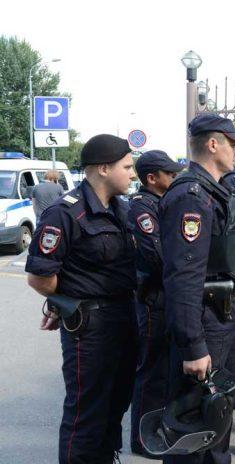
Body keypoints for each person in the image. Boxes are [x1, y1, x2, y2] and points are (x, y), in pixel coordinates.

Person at [25, 134, 137, 464]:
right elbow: (39, 277)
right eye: (127, 167)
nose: (132, 174)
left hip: (123, 317)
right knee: (86, 413)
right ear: (103, 168)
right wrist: (64, 300)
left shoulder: (122, 209)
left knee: (116, 403)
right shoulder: (64, 214)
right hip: (89, 329)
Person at [159, 113, 235, 464]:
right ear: (213, 144)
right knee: (195, 423)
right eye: (232, 143)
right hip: (203, 322)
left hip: (222, 316)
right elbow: (183, 278)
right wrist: (192, 344)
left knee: (218, 413)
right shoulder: (191, 196)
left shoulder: (216, 191)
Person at [127, 150, 183, 457]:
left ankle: (156, 429)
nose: (174, 178)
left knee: (162, 370)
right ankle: (142, 439)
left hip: (165, 297)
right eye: (170, 174)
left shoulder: (160, 204)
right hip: (152, 300)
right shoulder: (142, 209)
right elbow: (160, 256)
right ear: (152, 178)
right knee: (151, 371)